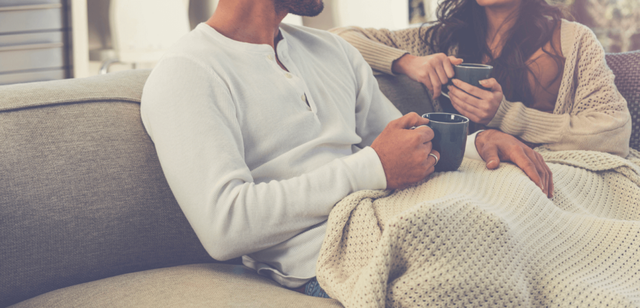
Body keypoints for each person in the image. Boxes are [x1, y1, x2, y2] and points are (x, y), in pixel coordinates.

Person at [139, 0, 552, 298]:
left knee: (543, 195)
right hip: (334, 258)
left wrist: (477, 142)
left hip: (396, 212)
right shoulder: (187, 72)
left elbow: (403, 145)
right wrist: (372, 167)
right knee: (489, 241)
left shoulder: (332, 50)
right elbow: (224, 227)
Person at [330, 0, 632, 157]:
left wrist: (508, 116)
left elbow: (614, 131)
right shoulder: (445, 38)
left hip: (547, 181)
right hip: (469, 181)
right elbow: (337, 38)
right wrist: (407, 62)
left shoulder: (573, 40)